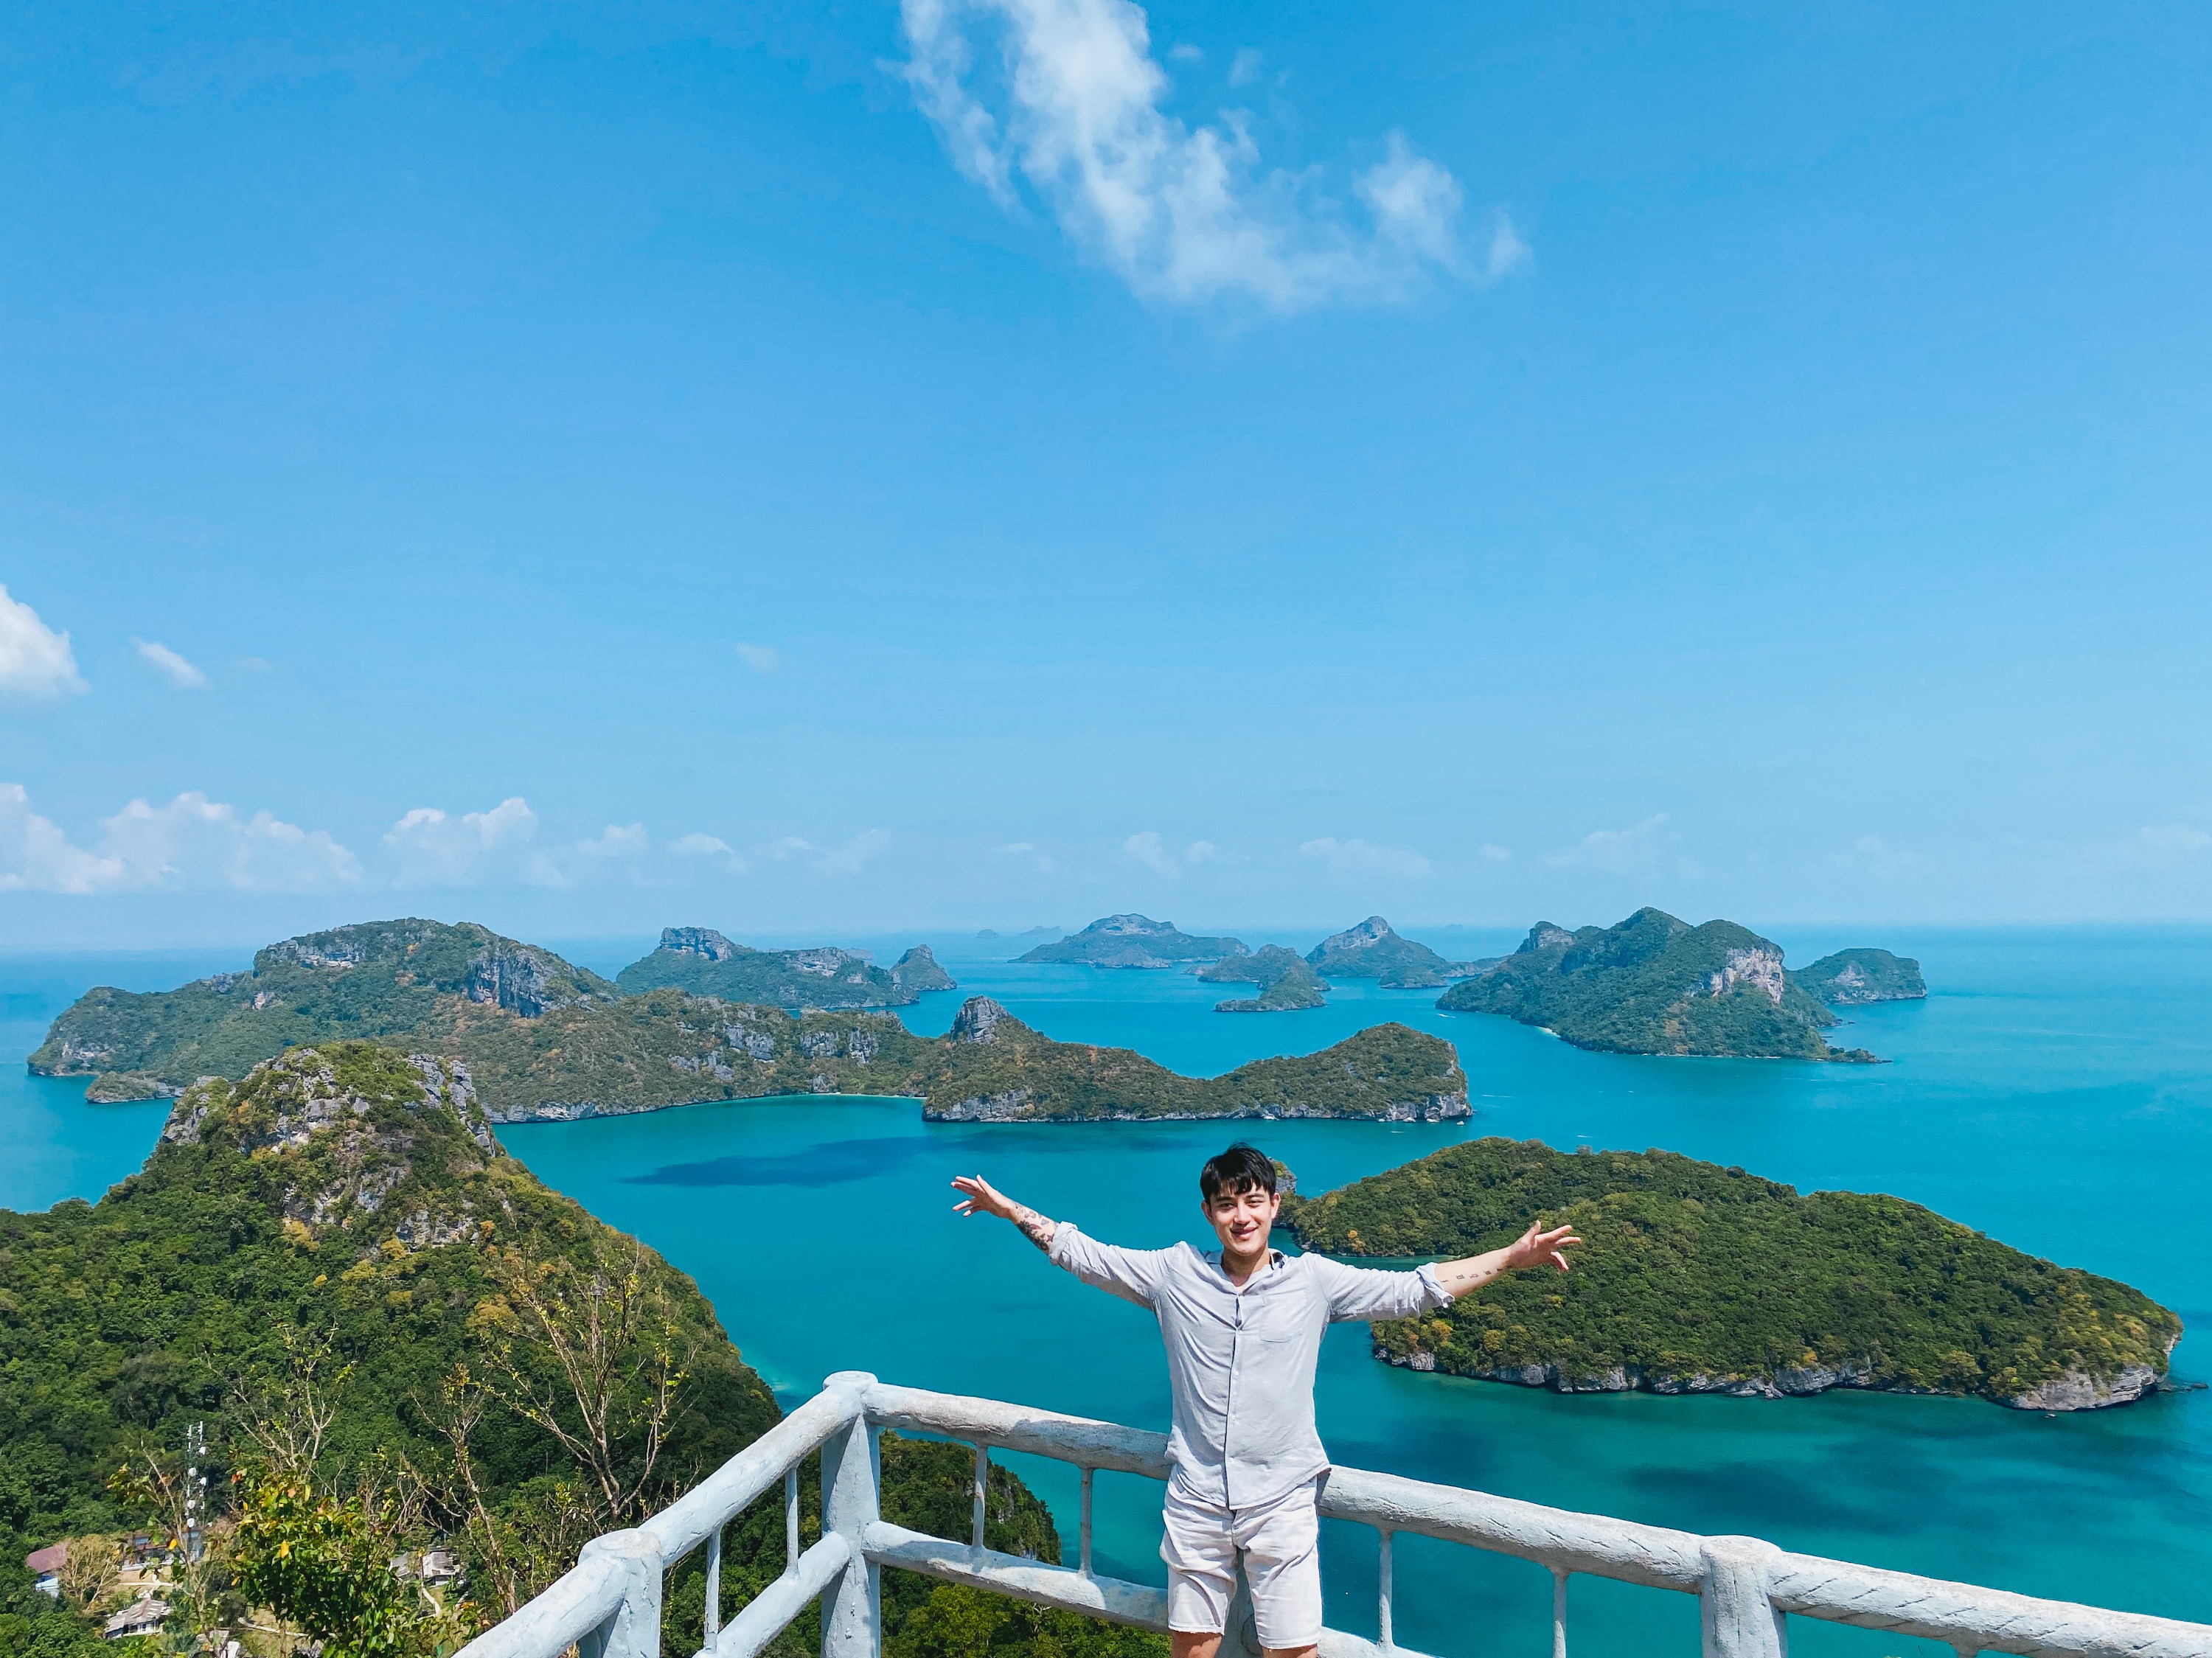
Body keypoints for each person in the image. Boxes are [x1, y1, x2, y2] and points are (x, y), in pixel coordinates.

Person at [951, 1143, 1581, 1658]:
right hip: (1197, 1500)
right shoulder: (1173, 1274)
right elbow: (1079, 1252)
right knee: (1193, 1649)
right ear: (1208, 1213)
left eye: (1253, 1200)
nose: (1241, 1215)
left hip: (1282, 1501)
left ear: (1275, 1204)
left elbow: (1416, 1289)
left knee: (1293, 1652)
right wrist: (1010, 1211)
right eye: (1227, 1204)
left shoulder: (1315, 1281)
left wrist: (1511, 1258)